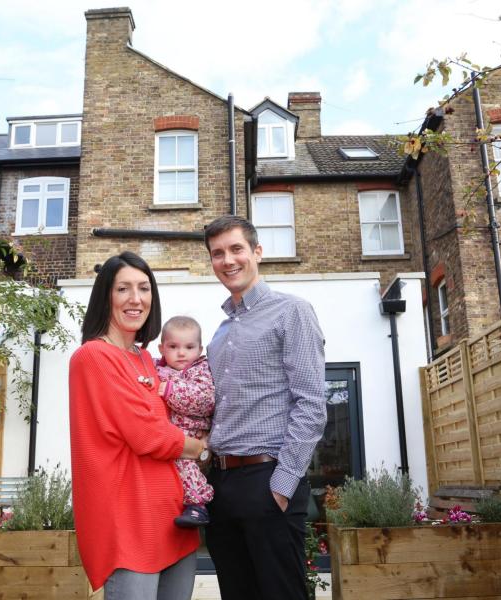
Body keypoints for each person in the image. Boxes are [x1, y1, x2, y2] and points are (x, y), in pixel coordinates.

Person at [68, 251, 209, 600]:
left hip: (174, 519)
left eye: (144, 288)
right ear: (105, 297)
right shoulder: (94, 356)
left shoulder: (147, 358)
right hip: (130, 522)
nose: (136, 299)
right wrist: (201, 446)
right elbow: (148, 435)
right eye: (123, 289)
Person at [202, 215, 328, 600]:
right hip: (221, 485)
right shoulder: (219, 335)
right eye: (217, 253)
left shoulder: (292, 311)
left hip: (267, 480)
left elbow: (310, 403)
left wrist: (282, 485)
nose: (228, 260)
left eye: (236, 249)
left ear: (257, 252)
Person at [155, 315, 216, 528]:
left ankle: (198, 505)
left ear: (199, 350)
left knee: (186, 465)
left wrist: (171, 390)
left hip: (192, 432)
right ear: (162, 348)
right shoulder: (156, 370)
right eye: (174, 346)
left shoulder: (200, 369)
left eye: (189, 347)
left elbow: (206, 400)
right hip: (169, 434)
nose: (181, 353)